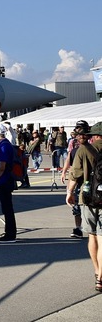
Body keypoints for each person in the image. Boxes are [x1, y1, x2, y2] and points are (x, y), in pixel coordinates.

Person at [66, 121, 102, 291]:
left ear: (94, 136)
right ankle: (101, 275)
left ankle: (97, 272)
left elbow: (75, 174)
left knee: (92, 236)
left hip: (88, 198)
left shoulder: (83, 149)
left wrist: (69, 193)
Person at [0, 122, 17, 242]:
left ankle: (10, 234)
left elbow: (2, 166)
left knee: (7, 208)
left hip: (4, 180)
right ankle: (9, 232)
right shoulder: (5, 144)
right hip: (6, 179)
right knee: (7, 207)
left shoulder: (3, 146)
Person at [62, 122, 85, 239]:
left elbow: (75, 172)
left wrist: (69, 191)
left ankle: (80, 228)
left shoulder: (90, 148)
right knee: (77, 207)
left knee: (80, 206)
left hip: (85, 182)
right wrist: (64, 171)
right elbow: (70, 161)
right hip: (82, 183)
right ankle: (78, 228)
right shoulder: (75, 149)